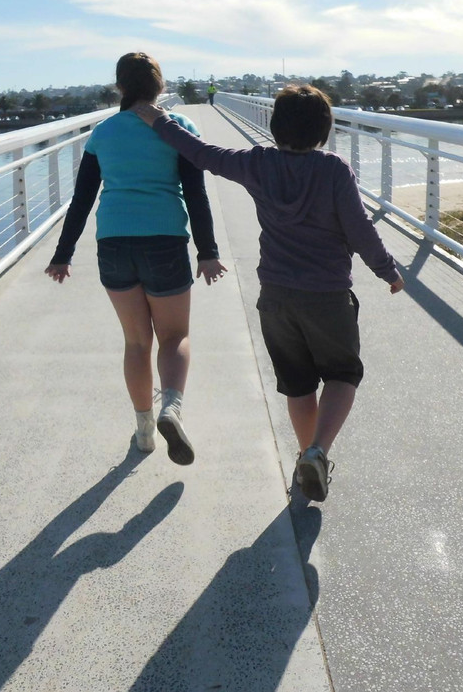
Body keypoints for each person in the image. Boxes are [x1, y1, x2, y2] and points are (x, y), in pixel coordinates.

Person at [132, 84, 404, 501]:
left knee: (297, 384)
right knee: (343, 374)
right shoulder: (333, 170)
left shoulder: (258, 163)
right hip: (327, 295)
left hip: (275, 297)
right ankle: (317, 451)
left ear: (276, 126)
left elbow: (202, 153)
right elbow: (360, 230)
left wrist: (158, 119)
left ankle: (304, 457)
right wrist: (388, 271)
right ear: (323, 128)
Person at [45, 52, 227, 465]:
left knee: (136, 341)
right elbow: (195, 195)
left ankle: (144, 429)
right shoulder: (180, 128)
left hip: (113, 243)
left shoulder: (103, 134)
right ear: (160, 88)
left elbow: (82, 200)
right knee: (174, 336)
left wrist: (63, 253)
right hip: (164, 241)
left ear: (120, 88)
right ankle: (172, 408)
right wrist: (208, 251)